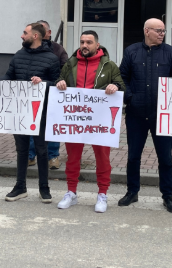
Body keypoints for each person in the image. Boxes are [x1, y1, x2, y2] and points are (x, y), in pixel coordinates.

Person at [0, 22, 60, 203]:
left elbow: (57, 83)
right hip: (19, 111)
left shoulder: (51, 58)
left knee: (42, 150)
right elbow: (10, 76)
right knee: (22, 150)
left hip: (40, 112)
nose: (21, 35)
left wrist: (43, 82)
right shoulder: (19, 55)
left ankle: (44, 188)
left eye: (25, 33)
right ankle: (20, 187)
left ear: (35, 36)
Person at [54, 30, 124, 213]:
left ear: (97, 45)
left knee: (103, 158)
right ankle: (71, 192)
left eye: (89, 42)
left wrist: (115, 86)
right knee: (72, 158)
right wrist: (60, 83)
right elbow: (60, 79)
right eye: (82, 42)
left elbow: (121, 84)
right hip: (75, 120)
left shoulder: (108, 65)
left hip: (99, 121)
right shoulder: (70, 63)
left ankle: (102, 194)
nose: (84, 45)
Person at [118, 18, 172, 212]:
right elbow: (122, 78)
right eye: (158, 30)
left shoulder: (171, 53)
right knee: (133, 156)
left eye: (163, 31)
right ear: (147, 31)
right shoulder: (131, 51)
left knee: (165, 158)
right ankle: (132, 191)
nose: (162, 34)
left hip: (162, 115)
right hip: (136, 113)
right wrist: (130, 97)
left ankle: (167, 196)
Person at [28, 20, 67, 170]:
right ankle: (30, 156)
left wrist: (58, 81)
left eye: (42, 29)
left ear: (49, 33)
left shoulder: (58, 49)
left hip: (52, 93)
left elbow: (64, 68)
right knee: (32, 123)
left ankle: (53, 156)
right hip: (33, 94)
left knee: (53, 125)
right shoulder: (28, 48)